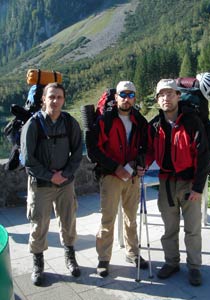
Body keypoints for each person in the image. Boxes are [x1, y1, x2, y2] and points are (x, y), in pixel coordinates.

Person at [146, 79, 210, 286]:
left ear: (178, 96)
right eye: (162, 95)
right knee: (169, 228)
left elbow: (203, 157)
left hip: (189, 182)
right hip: (166, 183)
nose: (166, 98)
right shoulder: (154, 125)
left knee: (192, 229)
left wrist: (198, 188)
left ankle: (194, 267)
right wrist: (138, 166)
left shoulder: (192, 122)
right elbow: (147, 152)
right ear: (157, 100)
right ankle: (171, 262)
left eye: (170, 93)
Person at [20, 82, 83, 286]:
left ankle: (70, 257)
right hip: (41, 185)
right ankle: (38, 264)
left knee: (68, 221)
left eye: (59, 97)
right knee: (39, 225)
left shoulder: (70, 123)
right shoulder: (33, 125)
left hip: (65, 183)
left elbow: (77, 152)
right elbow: (28, 160)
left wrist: (65, 174)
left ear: (64, 100)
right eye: (51, 97)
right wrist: (50, 176)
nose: (55, 101)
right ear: (43, 99)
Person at [89, 81, 148, 277]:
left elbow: (146, 147)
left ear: (135, 98)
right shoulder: (105, 120)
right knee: (108, 220)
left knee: (131, 219)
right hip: (111, 177)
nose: (126, 98)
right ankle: (103, 259)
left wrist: (141, 164)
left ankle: (133, 252)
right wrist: (116, 168)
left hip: (132, 177)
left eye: (131, 95)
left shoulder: (139, 120)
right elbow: (94, 151)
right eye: (123, 94)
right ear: (116, 97)